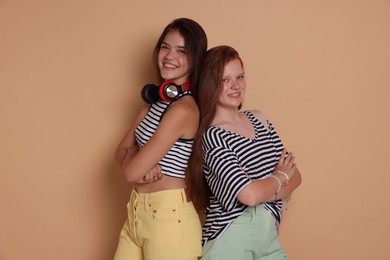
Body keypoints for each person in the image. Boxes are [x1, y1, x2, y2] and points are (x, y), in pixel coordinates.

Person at [187, 45, 302, 260]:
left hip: (269, 233)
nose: (235, 86)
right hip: (230, 237)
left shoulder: (259, 119)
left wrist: (268, 190)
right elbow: (249, 196)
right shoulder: (212, 135)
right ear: (210, 84)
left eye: (240, 77)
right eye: (225, 80)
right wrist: (279, 177)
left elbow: (296, 176)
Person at [113, 18, 207, 260]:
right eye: (165, 47)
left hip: (168, 218)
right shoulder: (153, 104)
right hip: (137, 212)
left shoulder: (183, 110)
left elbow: (130, 172)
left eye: (181, 51)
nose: (169, 56)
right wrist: (136, 160)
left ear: (195, 60)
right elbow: (120, 152)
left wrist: (135, 162)